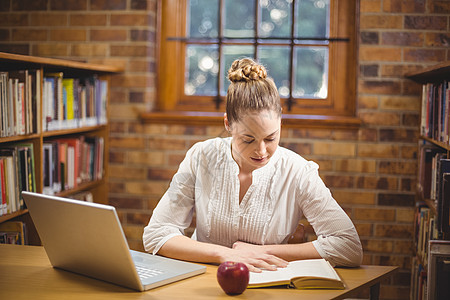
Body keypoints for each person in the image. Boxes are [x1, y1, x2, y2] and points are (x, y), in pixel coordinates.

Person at [143, 58, 363, 272]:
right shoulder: (201, 157)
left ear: (280, 122)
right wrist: (226, 254)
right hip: (204, 286)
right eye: (248, 139)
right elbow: (156, 234)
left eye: (271, 138)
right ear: (228, 123)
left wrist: (261, 252)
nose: (261, 151)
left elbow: (348, 246)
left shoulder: (298, 171)